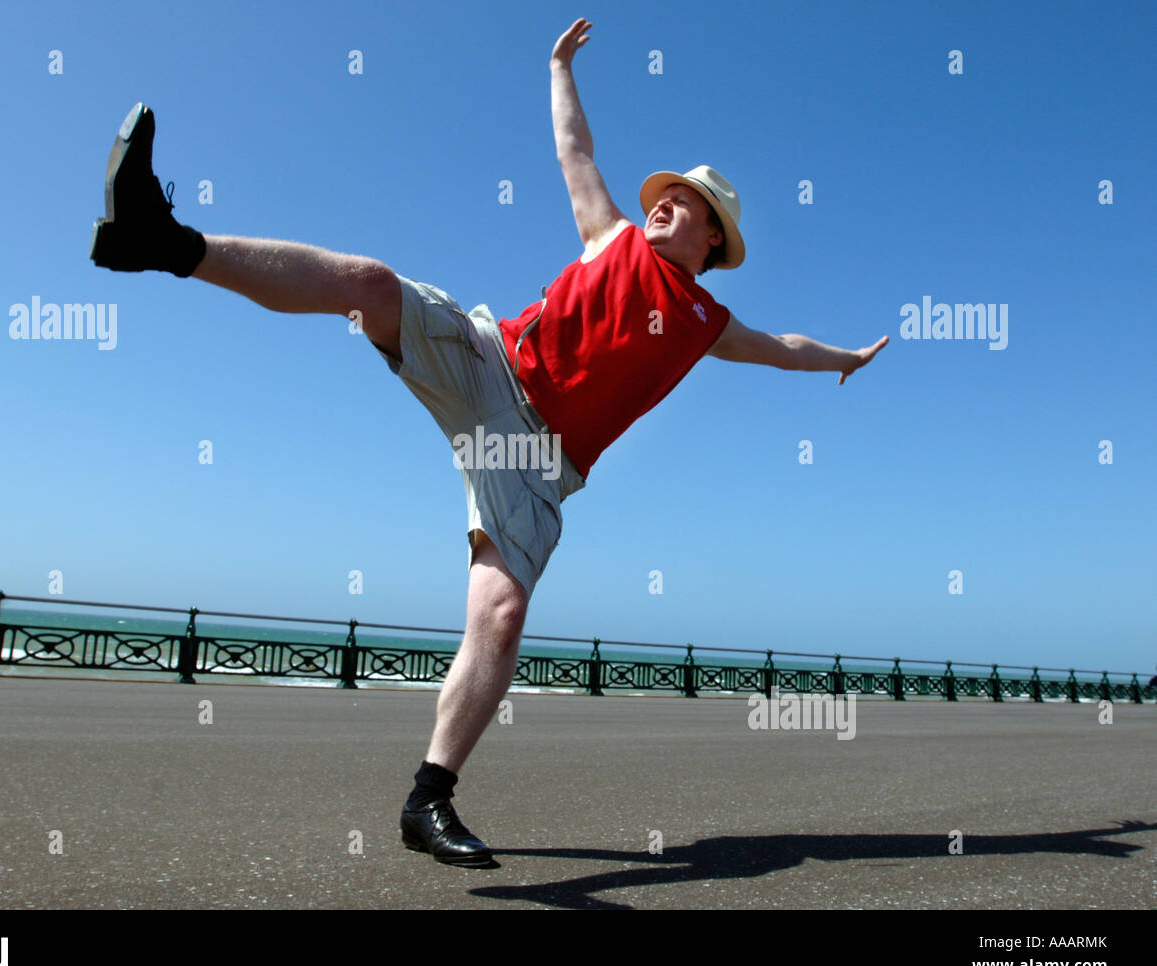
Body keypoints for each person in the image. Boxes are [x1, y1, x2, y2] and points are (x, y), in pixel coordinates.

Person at [88, 17, 888, 869]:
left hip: (542, 467)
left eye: (685, 203)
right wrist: (557, 68)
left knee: (500, 616)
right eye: (666, 193)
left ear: (712, 240)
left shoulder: (706, 321)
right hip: (493, 366)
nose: (664, 202)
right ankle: (161, 241)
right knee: (369, 286)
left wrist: (843, 360)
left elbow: (784, 349)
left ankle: (427, 799)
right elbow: (575, 152)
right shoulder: (613, 236)